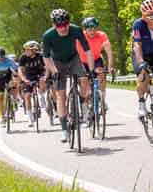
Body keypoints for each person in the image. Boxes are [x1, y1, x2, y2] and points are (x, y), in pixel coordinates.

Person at [41, 8, 91, 143]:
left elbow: (87, 50)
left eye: (65, 25)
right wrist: (54, 72)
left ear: (69, 23)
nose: (63, 28)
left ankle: (84, 105)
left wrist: (90, 69)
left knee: (85, 80)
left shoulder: (76, 30)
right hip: (57, 63)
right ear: (54, 25)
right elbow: (46, 58)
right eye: (59, 26)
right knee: (60, 95)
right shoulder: (48, 36)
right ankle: (64, 130)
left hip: (74, 58)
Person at [76, 16, 115, 115]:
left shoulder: (102, 35)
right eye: (89, 29)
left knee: (101, 75)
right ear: (85, 29)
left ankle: (102, 98)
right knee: (84, 83)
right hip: (83, 61)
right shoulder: (80, 37)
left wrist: (110, 66)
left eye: (94, 28)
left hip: (96, 59)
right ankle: (84, 106)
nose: (92, 31)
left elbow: (109, 51)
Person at [17, 40, 48, 123]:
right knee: (27, 96)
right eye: (25, 50)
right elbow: (20, 70)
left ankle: (42, 97)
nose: (25, 51)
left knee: (42, 80)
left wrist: (45, 76)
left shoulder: (40, 56)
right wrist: (23, 79)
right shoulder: (23, 57)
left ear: (34, 50)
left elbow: (46, 67)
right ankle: (30, 116)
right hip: (29, 76)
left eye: (27, 50)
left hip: (39, 73)